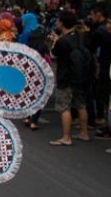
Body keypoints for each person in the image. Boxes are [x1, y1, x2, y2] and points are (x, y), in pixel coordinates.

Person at [49, 10, 91, 145]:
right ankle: (84, 133)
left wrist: (55, 41)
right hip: (80, 76)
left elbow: (54, 55)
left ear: (62, 23)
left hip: (65, 76)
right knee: (81, 104)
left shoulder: (62, 41)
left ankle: (66, 137)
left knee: (64, 107)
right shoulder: (80, 36)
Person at [18, 13, 47, 129]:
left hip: (27, 66)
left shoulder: (25, 33)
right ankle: (34, 120)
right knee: (39, 94)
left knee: (28, 92)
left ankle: (27, 116)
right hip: (41, 68)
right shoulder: (41, 33)